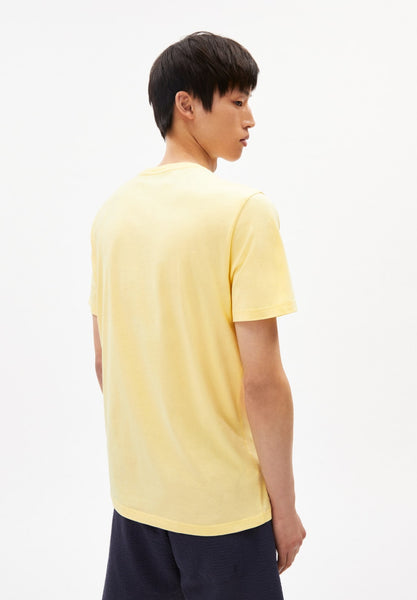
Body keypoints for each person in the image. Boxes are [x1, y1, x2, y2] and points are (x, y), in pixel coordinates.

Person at [89, 31, 306, 600]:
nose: (250, 119)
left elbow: (106, 363)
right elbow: (263, 382)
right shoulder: (244, 212)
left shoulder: (111, 215)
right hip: (223, 512)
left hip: (137, 502)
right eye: (237, 101)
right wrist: (284, 509)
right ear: (186, 105)